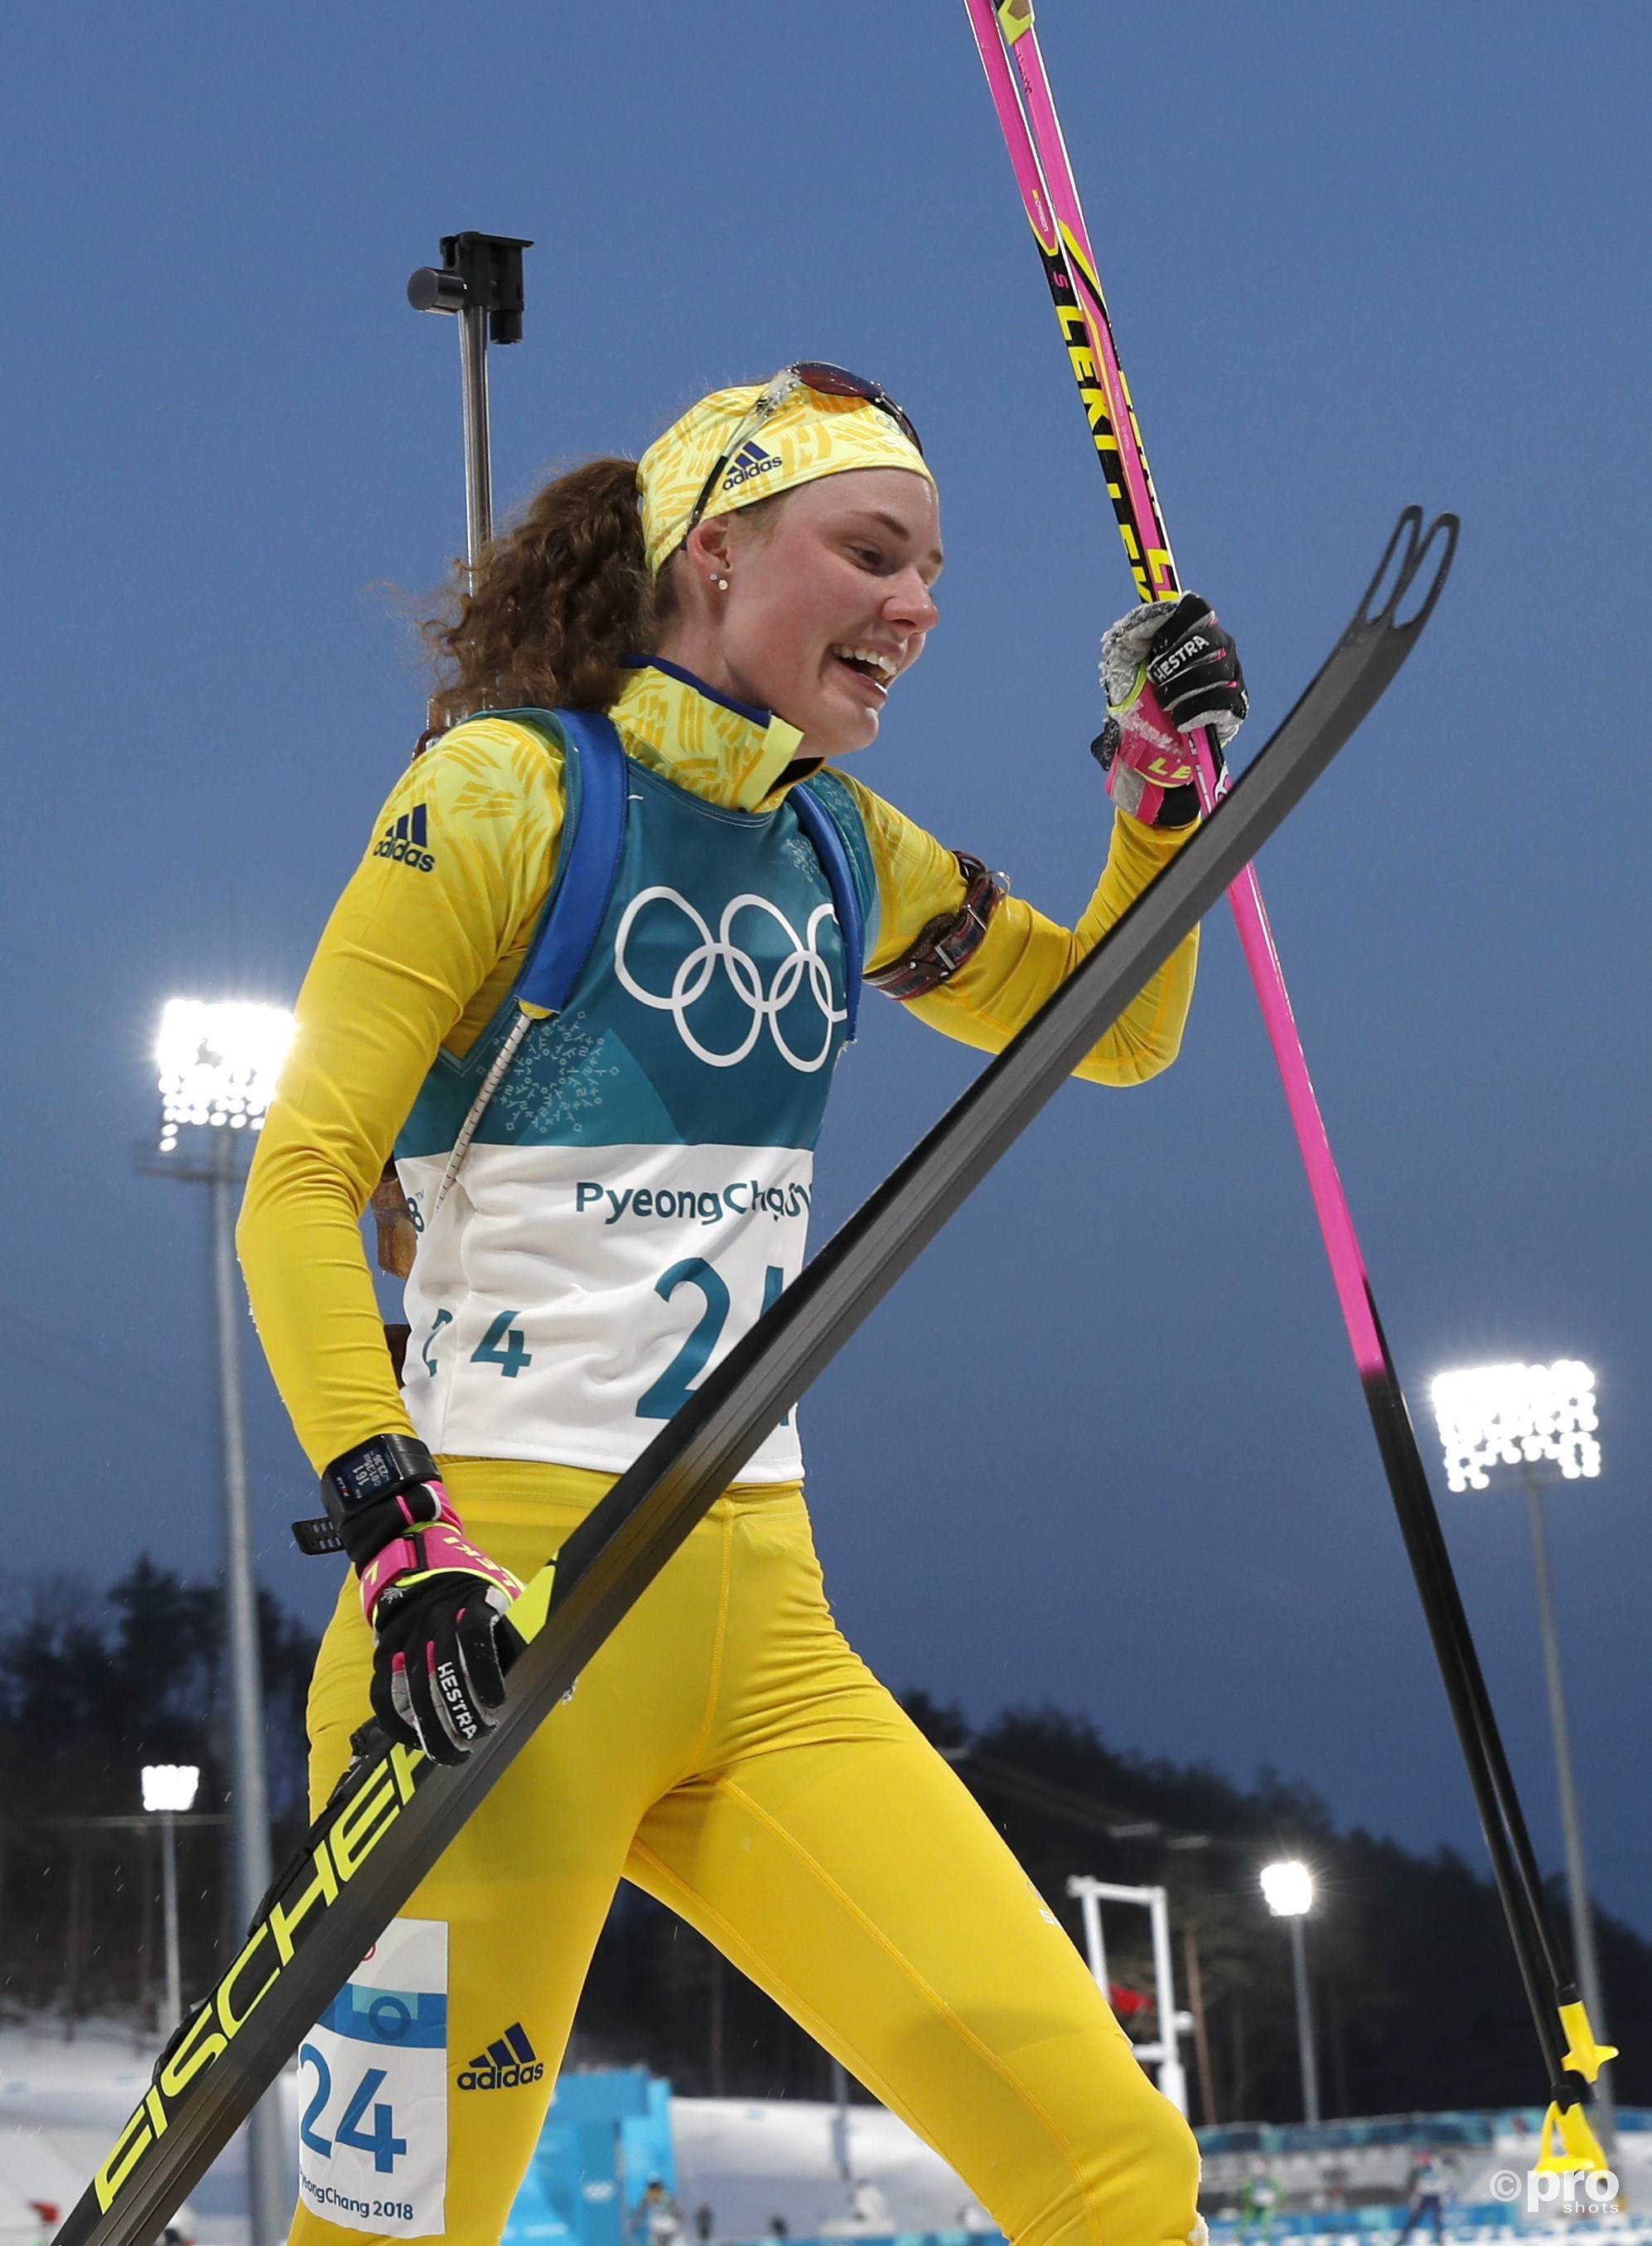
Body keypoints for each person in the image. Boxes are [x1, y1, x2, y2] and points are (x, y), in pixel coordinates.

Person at [239, 365, 1248, 2246]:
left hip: (763, 1633)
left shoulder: (834, 844)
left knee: (1118, 2173)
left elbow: (1120, 1032)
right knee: (385, 2245)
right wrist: (404, 1539)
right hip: (501, 1627)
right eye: (870, 553)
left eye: (933, 571)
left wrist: (1159, 803)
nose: (918, 606)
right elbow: (296, 1185)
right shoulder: (504, 793)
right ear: (714, 553)